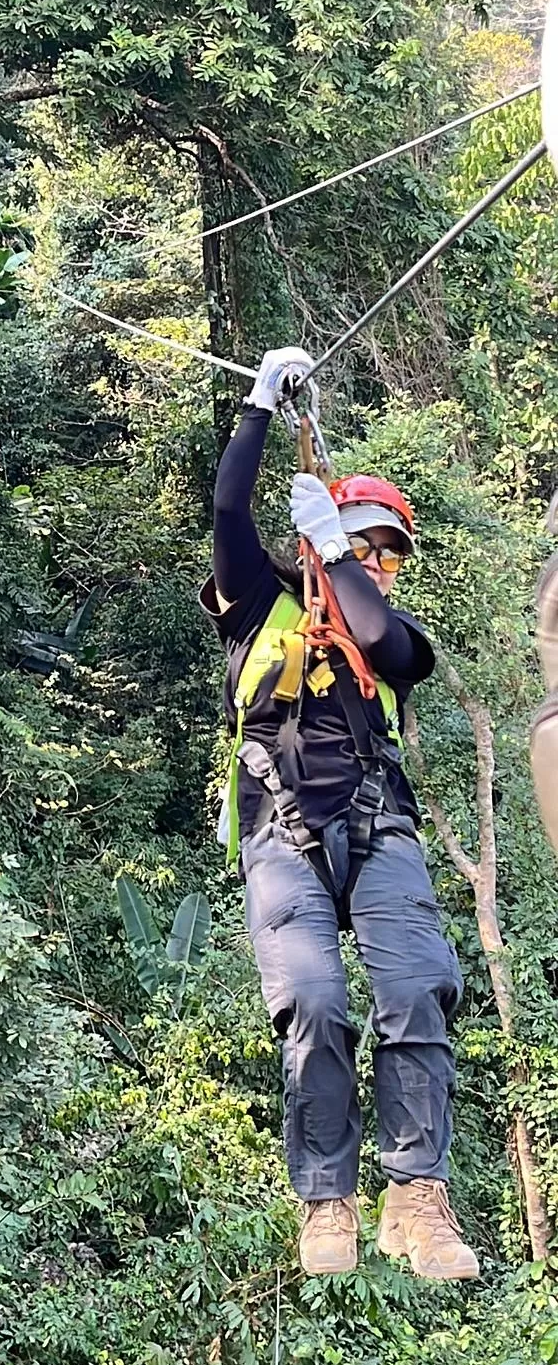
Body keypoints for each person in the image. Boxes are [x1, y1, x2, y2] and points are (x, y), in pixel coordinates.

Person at [200, 346, 479, 1281]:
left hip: (379, 826)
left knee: (417, 985)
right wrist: (257, 408)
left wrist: (333, 548)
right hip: (282, 831)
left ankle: (416, 1198)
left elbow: (370, 633)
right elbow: (229, 511)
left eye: (385, 553)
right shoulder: (257, 605)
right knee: (314, 1001)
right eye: (365, 544)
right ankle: (328, 1197)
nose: (378, 563)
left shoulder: (396, 640)